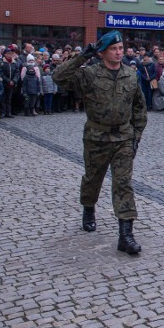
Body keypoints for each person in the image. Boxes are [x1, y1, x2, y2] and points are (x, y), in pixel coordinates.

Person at [53, 30, 147, 255]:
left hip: (123, 138)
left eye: (121, 48)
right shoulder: (90, 74)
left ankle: (126, 235)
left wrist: (136, 136)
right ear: (102, 52)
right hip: (97, 137)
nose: (118, 52)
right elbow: (59, 77)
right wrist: (81, 57)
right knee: (93, 178)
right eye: (114, 49)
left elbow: (139, 107)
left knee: (123, 183)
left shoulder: (131, 75)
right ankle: (88, 208)